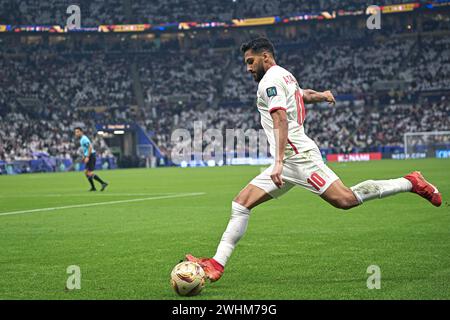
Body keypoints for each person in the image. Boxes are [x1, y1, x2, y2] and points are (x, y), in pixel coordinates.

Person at [186, 37, 442, 282]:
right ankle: (217, 263)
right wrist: (321, 95)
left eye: (251, 61)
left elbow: (280, 119)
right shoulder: (284, 75)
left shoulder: (268, 82)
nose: (248, 68)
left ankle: (410, 182)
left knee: (345, 200)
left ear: (265, 56)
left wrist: (277, 162)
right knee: (241, 204)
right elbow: (300, 94)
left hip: (298, 158)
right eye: (246, 63)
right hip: (287, 161)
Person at [74, 127, 108, 192]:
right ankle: (93, 187)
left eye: (78, 132)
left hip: (91, 155)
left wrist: (87, 157)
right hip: (89, 155)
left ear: (81, 132)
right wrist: (84, 156)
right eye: (75, 132)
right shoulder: (81, 139)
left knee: (89, 173)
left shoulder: (84, 138)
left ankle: (103, 183)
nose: (76, 133)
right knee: (86, 172)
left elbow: (90, 147)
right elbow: (86, 149)